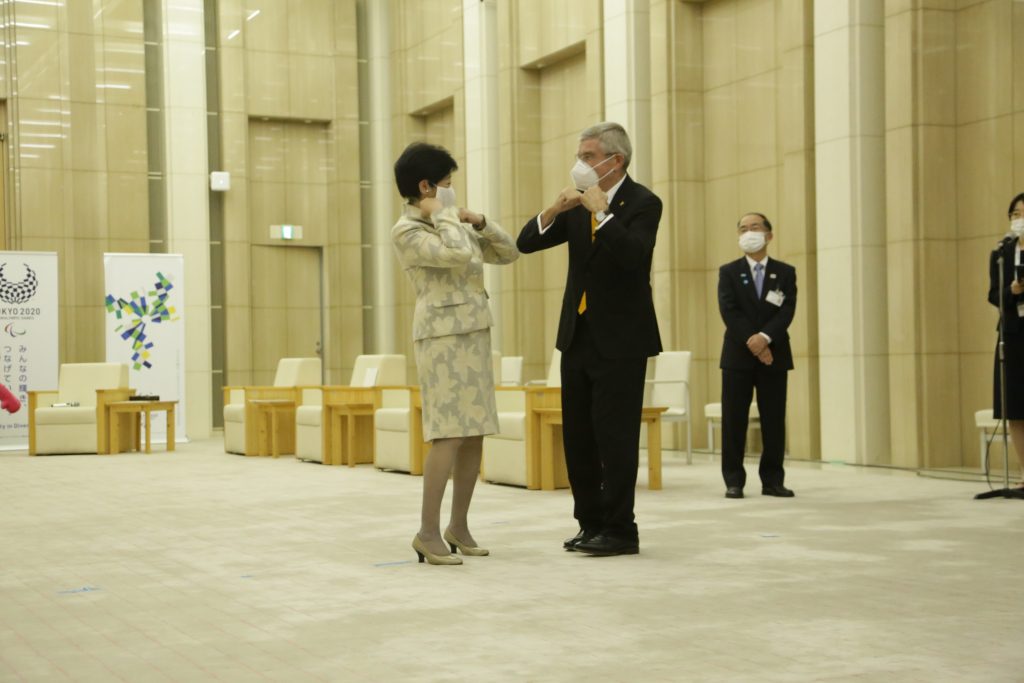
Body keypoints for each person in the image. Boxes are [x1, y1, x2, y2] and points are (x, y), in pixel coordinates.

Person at [517, 122, 662, 557]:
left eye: (588, 156)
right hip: (577, 337)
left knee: (614, 437)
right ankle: (590, 522)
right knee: (579, 437)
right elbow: (527, 243)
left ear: (614, 161)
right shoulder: (577, 207)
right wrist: (554, 210)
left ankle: (621, 529)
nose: (580, 164)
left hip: (622, 341)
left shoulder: (643, 203)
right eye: (579, 155)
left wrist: (604, 212)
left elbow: (633, 257)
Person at [391, 142, 519, 565]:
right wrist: (444, 215)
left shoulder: (452, 222)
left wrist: (478, 220)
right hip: (441, 340)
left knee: (474, 431)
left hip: (474, 333)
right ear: (425, 186)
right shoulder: (407, 231)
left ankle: (458, 525)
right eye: (446, 184)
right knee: (448, 433)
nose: (452, 192)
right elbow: (455, 255)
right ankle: (427, 531)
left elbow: (507, 253)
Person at [717, 212, 797, 499]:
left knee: (774, 419)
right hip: (737, 356)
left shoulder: (785, 272)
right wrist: (752, 342)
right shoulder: (728, 271)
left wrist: (764, 339)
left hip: (774, 355)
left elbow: (786, 310)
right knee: (734, 419)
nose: (748, 232)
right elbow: (729, 310)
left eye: (754, 227)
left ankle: (773, 480)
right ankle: (734, 480)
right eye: (743, 229)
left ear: (769, 235)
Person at [988, 192, 1024, 489]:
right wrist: (1010, 292)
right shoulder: (1002, 252)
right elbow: (992, 294)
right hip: (1012, 335)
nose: (1019, 219)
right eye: (1015, 214)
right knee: (1015, 408)